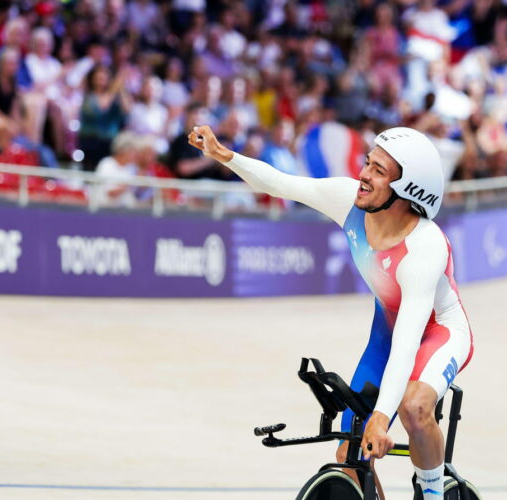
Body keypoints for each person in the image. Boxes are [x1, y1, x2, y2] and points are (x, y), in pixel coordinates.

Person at [190, 125, 473, 499]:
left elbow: (408, 345)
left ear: (409, 191)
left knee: (414, 407)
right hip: (387, 332)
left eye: (378, 171)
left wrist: (381, 419)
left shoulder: (425, 246)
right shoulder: (348, 200)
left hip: (438, 333)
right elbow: (281, 183)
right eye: (368, 163)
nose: (364, 175)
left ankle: (433, 491)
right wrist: (224, 154)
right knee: (350, 455)